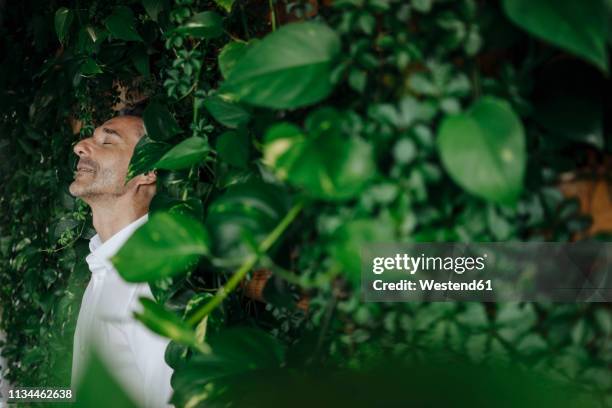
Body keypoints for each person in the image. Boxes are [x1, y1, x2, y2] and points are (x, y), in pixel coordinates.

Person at [68, 115, 173, 407]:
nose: (79, 146)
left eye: (107, 141)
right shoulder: (104, 266)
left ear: (147, 171)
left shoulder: (150, 284)